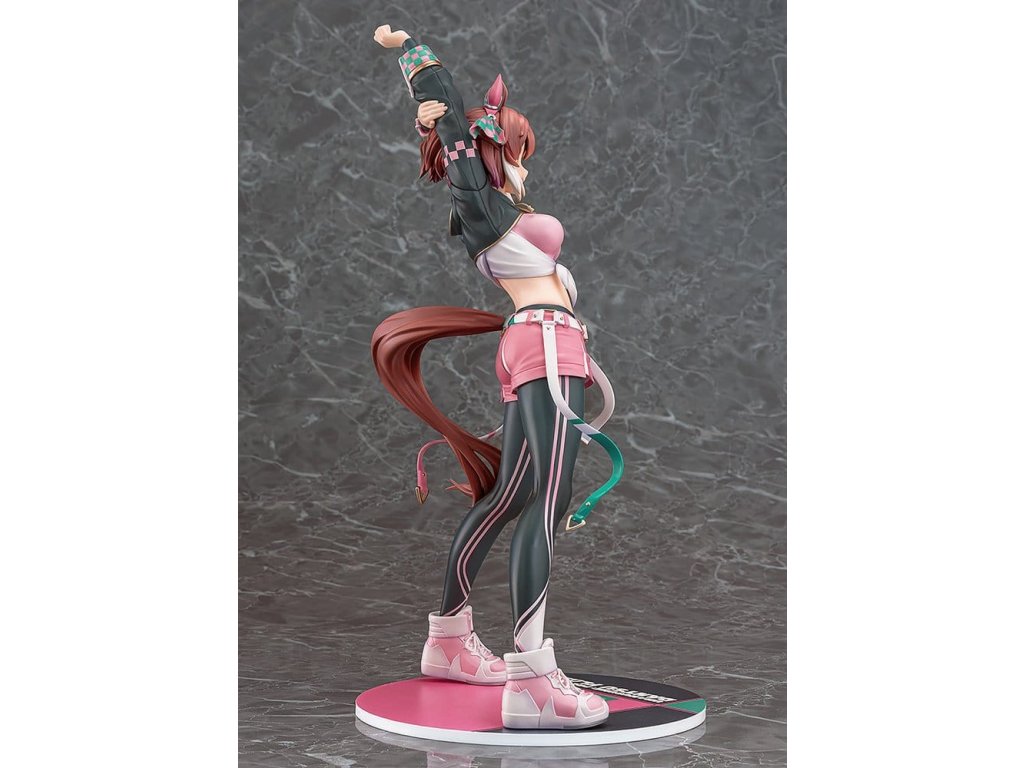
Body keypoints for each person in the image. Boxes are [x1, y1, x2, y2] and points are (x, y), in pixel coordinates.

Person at [370, 23, 623, 730]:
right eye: (514, 148)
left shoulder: (504, 212)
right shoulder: (483, 205)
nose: (521, 161)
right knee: (546, 499)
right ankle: (534, 681)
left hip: (535, 344)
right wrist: (417, 61)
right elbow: (455, 130)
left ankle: (448, 642)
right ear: (493, 148)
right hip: (544, 343)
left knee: (510, 494)